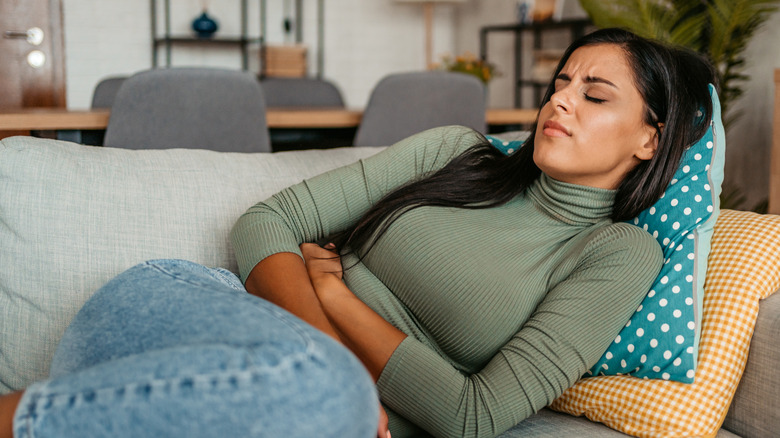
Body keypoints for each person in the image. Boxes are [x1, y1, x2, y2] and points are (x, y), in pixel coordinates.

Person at [0, 28, 717, 438]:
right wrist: (342, 365)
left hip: (282, 410)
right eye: (560, 83)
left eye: (593, 95)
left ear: (651, 142)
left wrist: (336, 294)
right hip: (169, 307)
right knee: (323, 394)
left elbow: (476, 416)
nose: (560, 99)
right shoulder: (453, 153)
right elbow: (264, 224)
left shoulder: (618, 253)